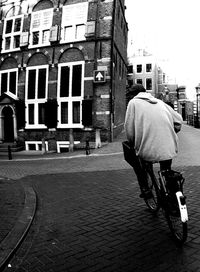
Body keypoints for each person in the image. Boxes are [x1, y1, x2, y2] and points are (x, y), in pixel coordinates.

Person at [124, 84, 183, 198]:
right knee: (166, 170)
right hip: (168, 147)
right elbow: (178, 121)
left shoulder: (133, 103)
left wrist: (132, 143)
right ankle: (171, 197)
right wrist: (172, 132)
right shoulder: (160, 102)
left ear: (134, 94)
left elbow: (129, 129)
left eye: (130, 94)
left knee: (140, 165)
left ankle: (146, 189)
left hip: (146, 148)